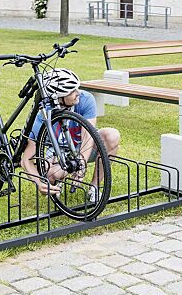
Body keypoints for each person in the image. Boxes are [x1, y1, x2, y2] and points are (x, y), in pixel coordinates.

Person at [19, 68, 120, 202]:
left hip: (84, 146)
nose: (78, 93)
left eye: (76, 88)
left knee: (112, 135)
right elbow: (26, 159)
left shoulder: (85, 99)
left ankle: (94, 187)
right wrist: (39, 183)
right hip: (58, 152)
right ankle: (57, 181)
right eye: (72, 91)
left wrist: (81, 162)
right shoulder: (42, 114)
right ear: (59, 97)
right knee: (49, 175)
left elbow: (88, 137)